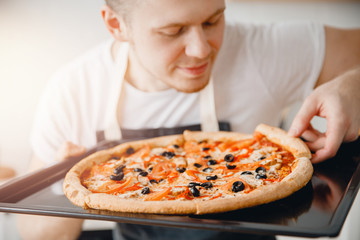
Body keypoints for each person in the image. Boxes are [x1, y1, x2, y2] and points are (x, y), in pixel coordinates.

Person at [17, 0, 360, 239]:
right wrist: (59, 192)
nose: (200, 48)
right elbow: (39, 237)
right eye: (173, 30)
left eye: (213, 20)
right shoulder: (74, 91)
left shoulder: (263, 50)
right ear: (115, 24)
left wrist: (352, 84)